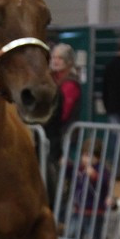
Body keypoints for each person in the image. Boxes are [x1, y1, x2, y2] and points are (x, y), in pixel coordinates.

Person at [44, 43, 82, 204]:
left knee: (63, 175)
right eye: (53, 57)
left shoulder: (70, 84)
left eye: (59, 58)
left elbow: (64, 113)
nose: (55, 61)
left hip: (65, 136)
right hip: (53, 135)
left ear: (68, 62)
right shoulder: (52, 79)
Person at [62, 141, 109, 239]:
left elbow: (104, 183)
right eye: (84, 155)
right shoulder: (80, 168)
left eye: (89, 156)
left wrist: (94, 175)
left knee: (94, 238)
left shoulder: (102, 170)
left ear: (97, 157)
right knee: (72, 232)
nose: (85, 159)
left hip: (94, 211)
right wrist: (66, 165)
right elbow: (71, 172)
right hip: (78, 208)